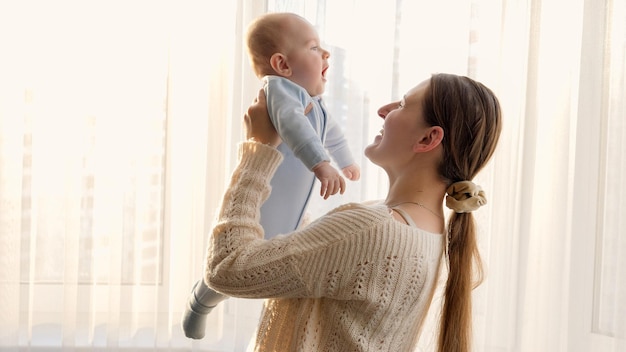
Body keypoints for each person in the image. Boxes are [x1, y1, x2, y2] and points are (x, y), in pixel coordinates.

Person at [203, 73, 502, 351]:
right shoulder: (428, 229)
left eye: (402, 104)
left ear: (428, 139)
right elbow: (309, 260)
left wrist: (259, 150)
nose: (383, 110)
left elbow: (225, 269)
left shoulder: (371, 229)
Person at [181, 12, 360, 340]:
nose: (326, 54)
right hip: (262, 208)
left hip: (291, 217)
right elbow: (294, 128)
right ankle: (200, 302)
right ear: (282, 65)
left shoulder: (314, 103)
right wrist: (322, 165)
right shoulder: (280, 91)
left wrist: (346, 161)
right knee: (228, 274)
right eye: (314, 47)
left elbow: (331, 133)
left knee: (272, 273)